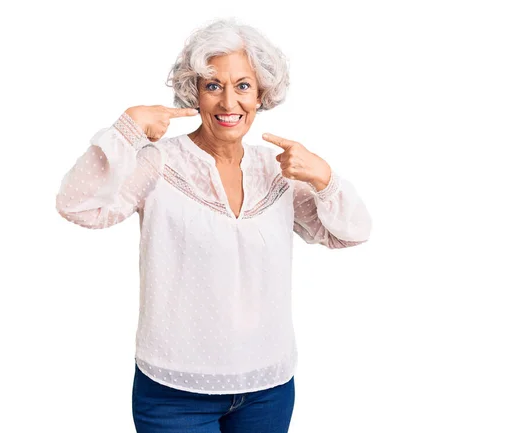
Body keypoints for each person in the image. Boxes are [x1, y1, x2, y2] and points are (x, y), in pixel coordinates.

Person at [55, 17, 372, 433]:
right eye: (212, 85)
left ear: (261, 95)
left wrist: (324, 177)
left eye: (242, 86)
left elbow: (351, 233)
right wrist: (127, 130)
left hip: (268, 388)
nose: (228, 103)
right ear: (195, 93)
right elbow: (76, 206)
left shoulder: (278, 170)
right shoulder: (159, 163)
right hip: (174, 392)